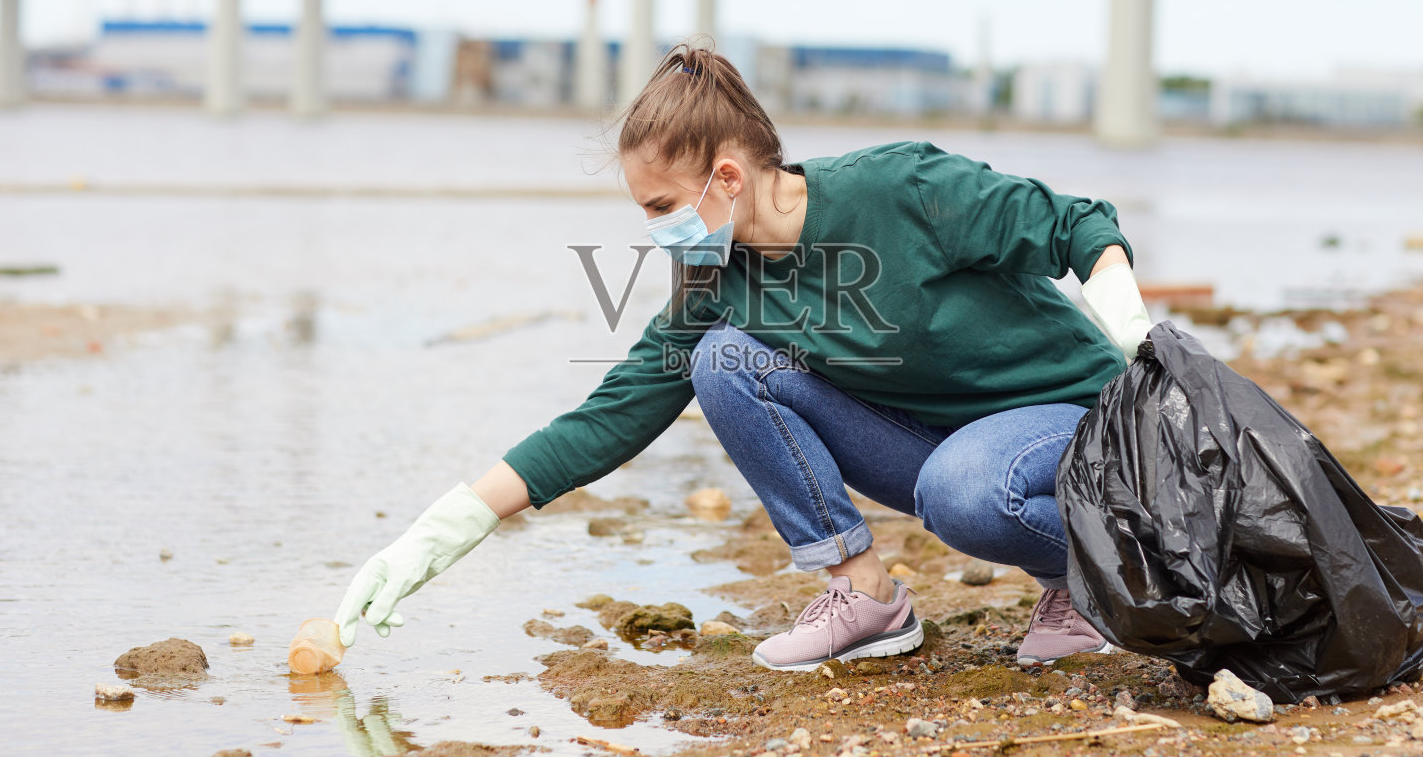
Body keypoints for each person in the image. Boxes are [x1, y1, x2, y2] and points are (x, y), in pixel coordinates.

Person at [335, 44, 1154, 671]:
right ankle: (865, 595)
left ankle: (1103, 579)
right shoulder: (717, 278)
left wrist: (1122, 314)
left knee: (964, 487)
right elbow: (616, 410)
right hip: (945, 444)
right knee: (724, 361)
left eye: (661, 204)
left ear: (725, 175)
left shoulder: (900, 189)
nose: (656, 226)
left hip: (1084, 420)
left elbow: (1070, 220)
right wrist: (449, 524)